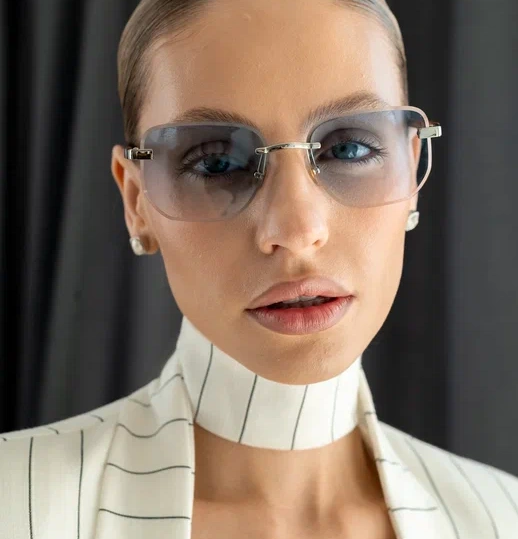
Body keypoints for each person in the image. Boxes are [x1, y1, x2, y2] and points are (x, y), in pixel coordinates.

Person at [1, 0, 518, 537]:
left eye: (349, 149)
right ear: (137, 201)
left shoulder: (503, 518)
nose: (296, 229)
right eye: (217, 163)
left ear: (411, 167)